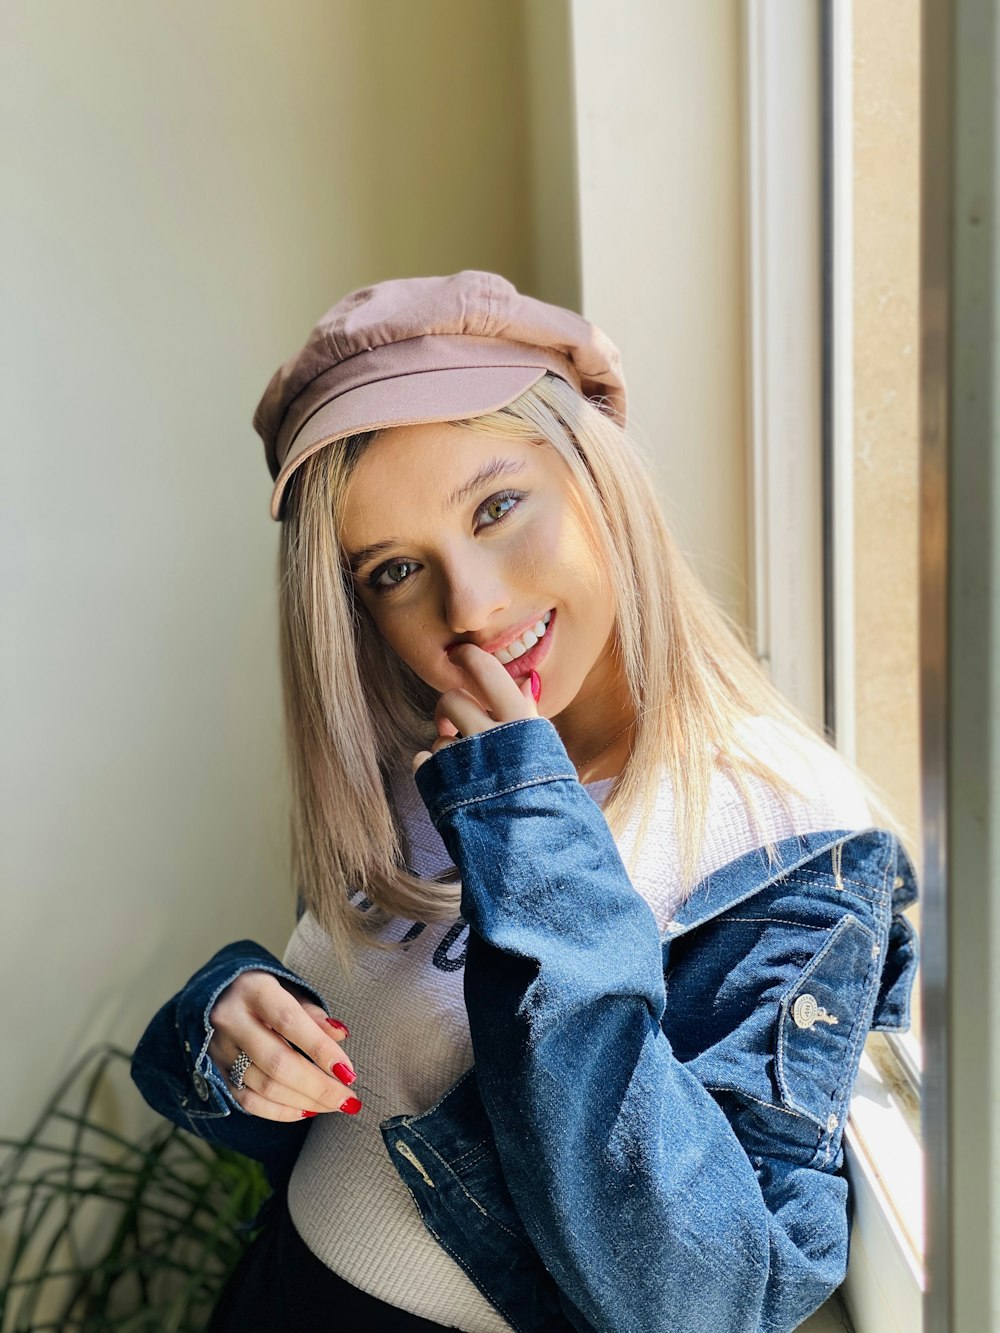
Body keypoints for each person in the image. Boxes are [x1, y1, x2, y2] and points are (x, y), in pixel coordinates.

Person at [131, 270, 920, 1332]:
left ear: (600, 480)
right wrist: (229, 1022)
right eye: (395, 569)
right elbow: (337, 1123)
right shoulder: (422, 773)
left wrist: (524, 813)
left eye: (497, 506)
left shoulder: (780, 827)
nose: (472, 606)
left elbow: (693, 1299)